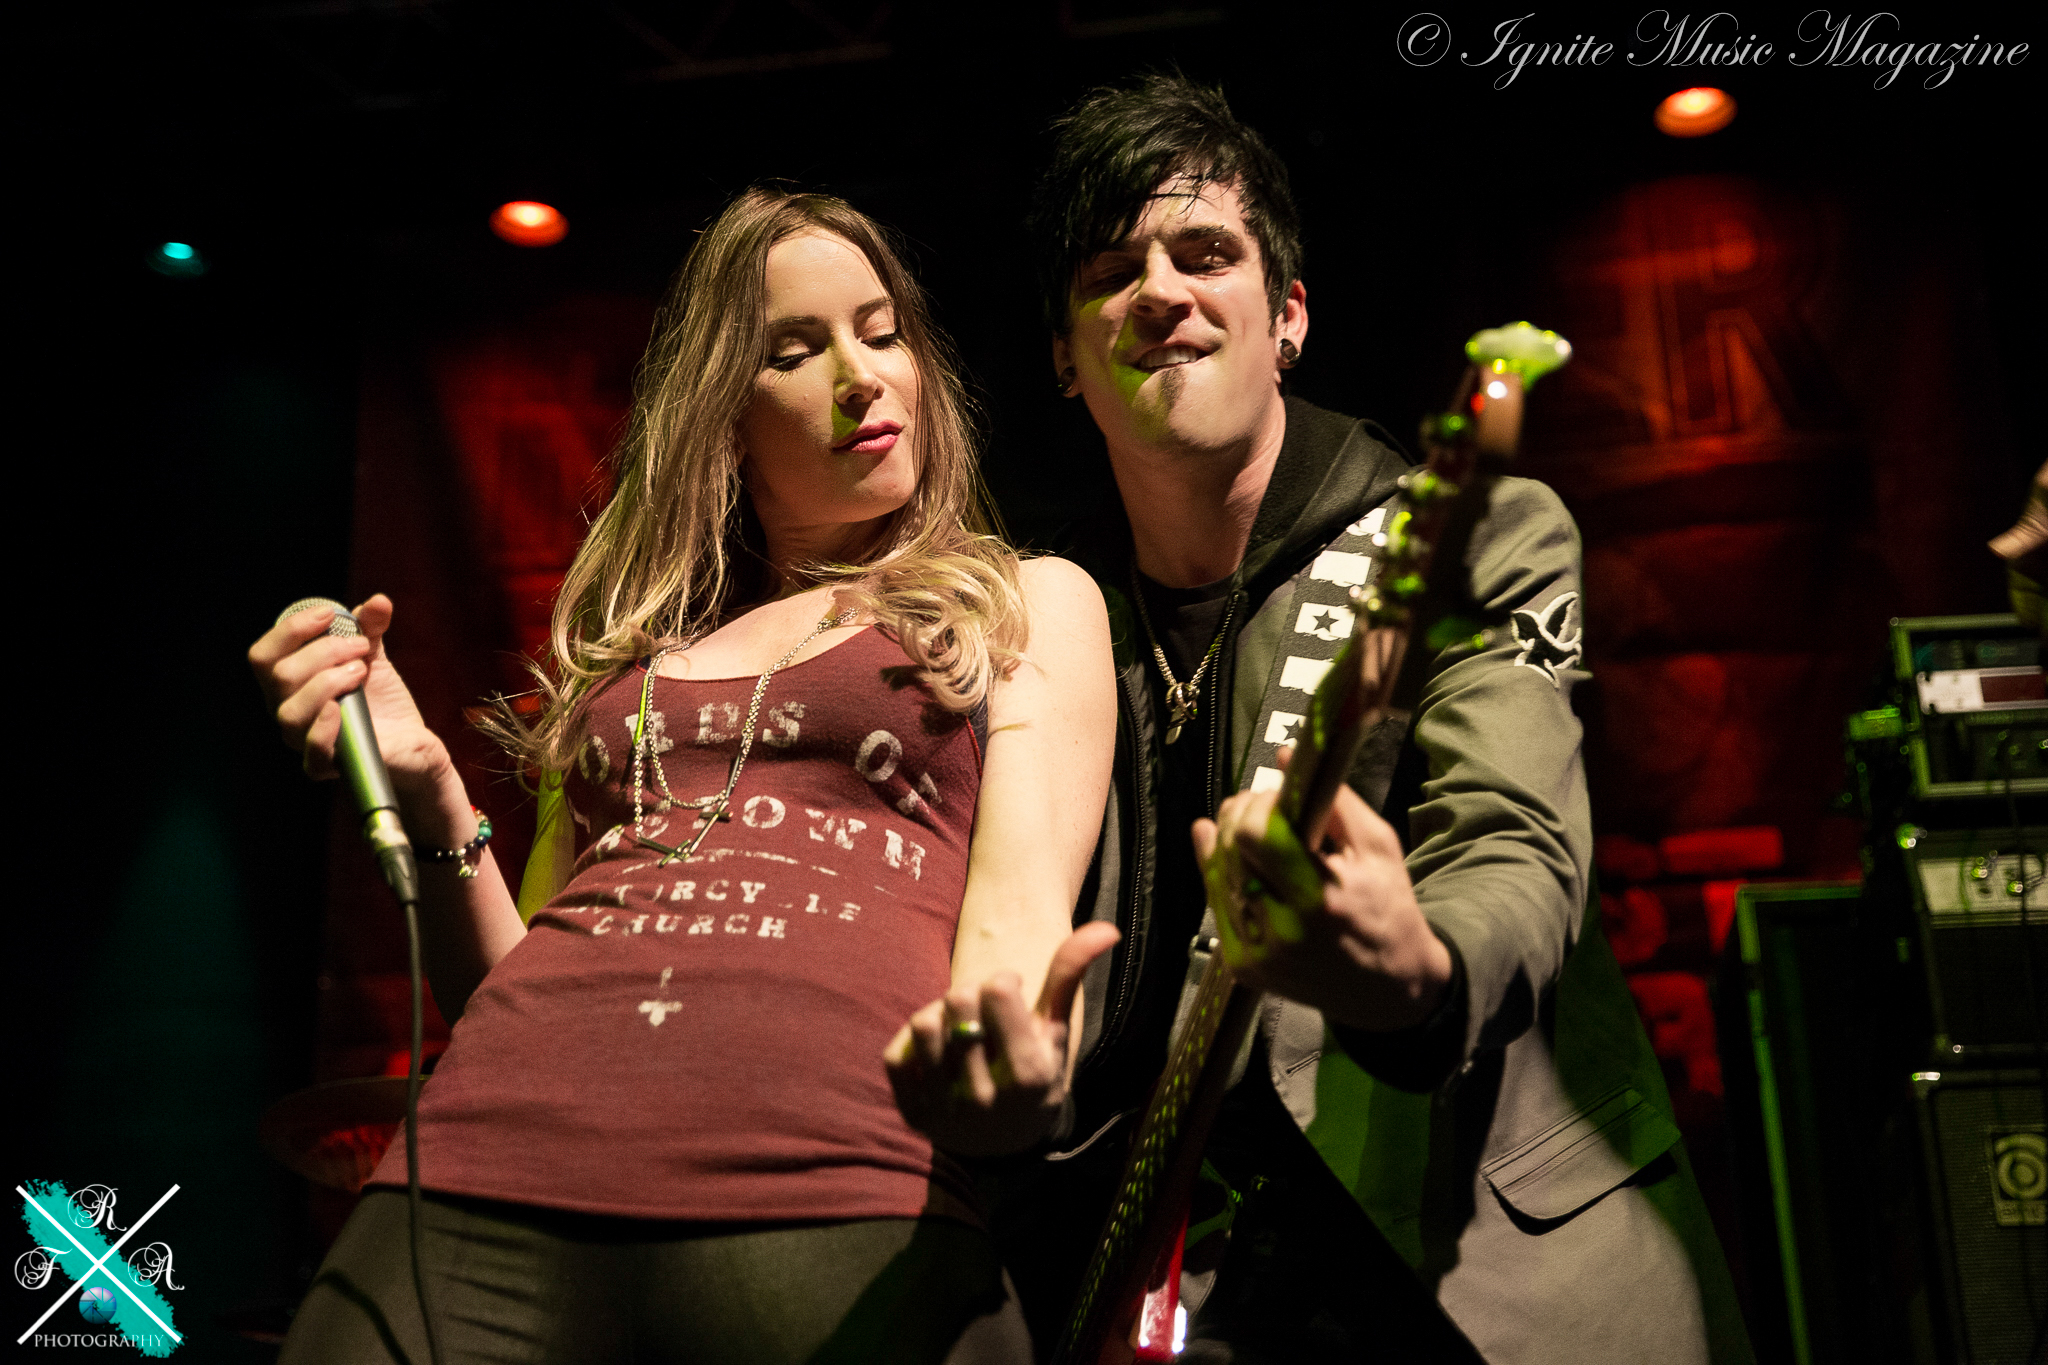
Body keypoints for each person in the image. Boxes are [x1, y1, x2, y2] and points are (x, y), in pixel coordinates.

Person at [249, 187, 1118, 1365]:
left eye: (880, 332)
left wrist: (1007, 1070)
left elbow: (1015, 929)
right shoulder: (623, 665)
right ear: (724, 417)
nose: (861, 378)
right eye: (794, 352)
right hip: (477, 1171)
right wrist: (426, 790)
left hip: (824, 1180)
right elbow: (507, 984)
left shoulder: (1026, 599)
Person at [992, 75, 1754, 1363]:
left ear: (1287, 317)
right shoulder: (1039, 620)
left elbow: (1514, 845)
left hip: (1475, 1276)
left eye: (1205, 254)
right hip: (1176, 1291)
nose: (1161, 292)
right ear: (1063, 357)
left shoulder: (1465, 533)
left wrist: (1414, 969)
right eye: (1111, 271)